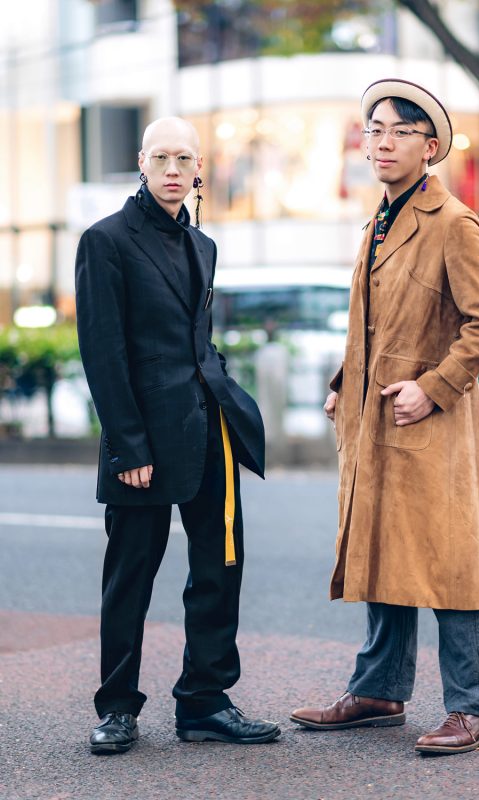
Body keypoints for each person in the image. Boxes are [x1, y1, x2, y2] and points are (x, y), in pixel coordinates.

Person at [290, 79, 479, 755]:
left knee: (453, 560)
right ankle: (380, 690)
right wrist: (341, 381)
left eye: (399, 131)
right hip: (377, 421)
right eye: (374, 129)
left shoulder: (453, 224)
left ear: (432, 147)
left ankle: (476, 708)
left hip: (430, 424)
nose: (382, 141)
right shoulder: (379, 220)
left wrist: (436, 386)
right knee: (385, 550)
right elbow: (375, 322)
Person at [75, 117, 280, 754]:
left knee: (219, 566)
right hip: (141, 440)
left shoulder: (203, 246)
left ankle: (204, 701)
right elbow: (102, 354)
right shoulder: (105, 241)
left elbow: (197, 342)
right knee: (130, 574)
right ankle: (116, 709)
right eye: (160, 156)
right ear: (142, 161)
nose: (172, 168)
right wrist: (128, 445)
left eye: (183, 158)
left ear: (199, 169)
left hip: (207, 426)